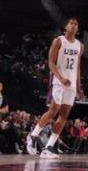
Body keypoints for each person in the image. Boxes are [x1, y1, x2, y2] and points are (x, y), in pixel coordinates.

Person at [26, 17, 84, 158]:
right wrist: (61, 78)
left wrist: (79, 86)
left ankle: (49, 147)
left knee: (64, 116)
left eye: (76, 24)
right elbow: (51, 63)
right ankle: (33, 136)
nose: (73, 25)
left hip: (71, 84)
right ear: (66, 26)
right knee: (53, 110)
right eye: (71, 23)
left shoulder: (80, 45)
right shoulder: (59, 41)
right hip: (59, 81)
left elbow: (77, 67)